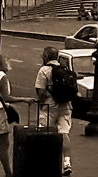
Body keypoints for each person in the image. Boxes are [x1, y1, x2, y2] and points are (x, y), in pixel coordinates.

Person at [35, 46, 73, 176]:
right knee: (64, 134)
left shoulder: (44, 70)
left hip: (49, 106)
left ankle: (45, 163)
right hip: (66, 105)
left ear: (46, 57)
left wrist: (41, 101)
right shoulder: (65, 69)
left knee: (45, 133)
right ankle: (66, 163)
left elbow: (41, 92)